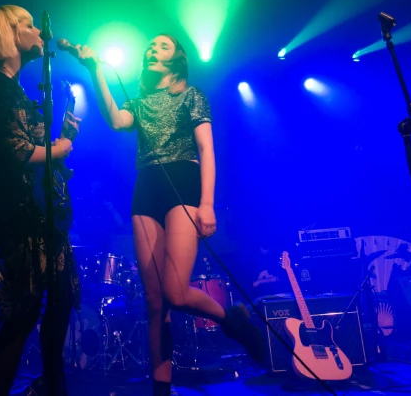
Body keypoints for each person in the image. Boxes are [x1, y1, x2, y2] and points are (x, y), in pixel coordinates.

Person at [66, 34, 266, 396]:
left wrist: (207, 204)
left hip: (184, 182)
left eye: (162, 46)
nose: (151, 50)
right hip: (148, 187)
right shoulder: (141, 102)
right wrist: (96, 69)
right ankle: (161, 388)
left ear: (177, 60)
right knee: (154, 299)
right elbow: (115, 120)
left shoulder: (192, 95)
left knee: (175, 292)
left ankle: (230, 319)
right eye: (150, 46)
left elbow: (206, 148)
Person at [0, 5, 81, 396]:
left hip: (37, 213)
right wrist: (61, 148)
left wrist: (62, 133)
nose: (38, 33)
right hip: (18, 218)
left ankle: (51, 384)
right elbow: (16, 150)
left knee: (58, 298)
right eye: (29, 26)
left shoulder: (12, 86)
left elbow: (25, 147)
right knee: (23, 314)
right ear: (12, 35)